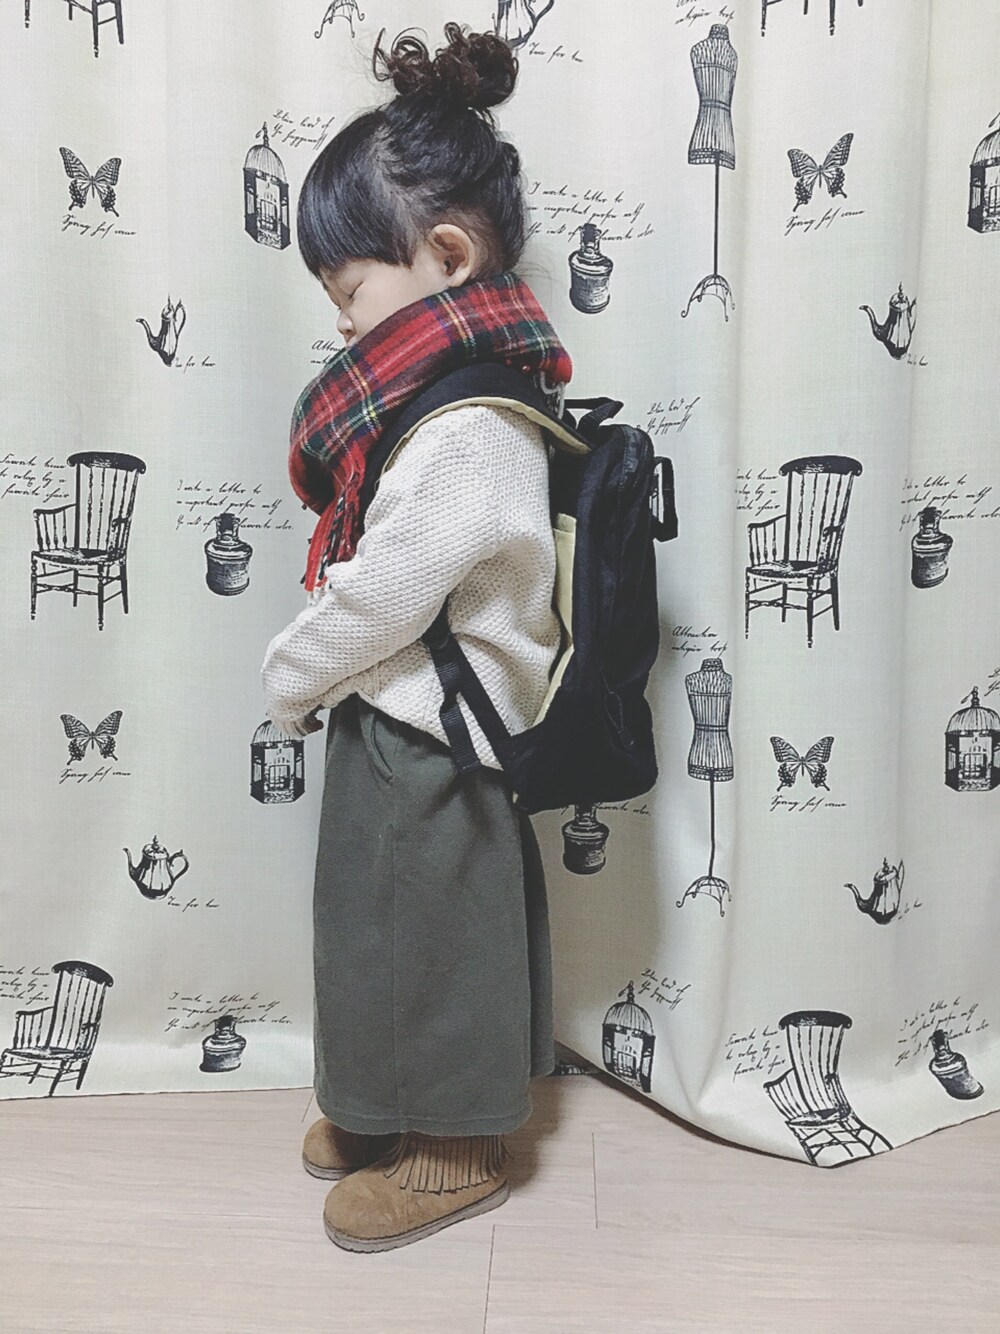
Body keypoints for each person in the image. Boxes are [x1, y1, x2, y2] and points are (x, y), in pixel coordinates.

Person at [259, 22, 574, 1254]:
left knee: (436, 933)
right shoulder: (438, 400)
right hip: (403, 713)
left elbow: (388, 590)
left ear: (445, 256)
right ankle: (379, 1102)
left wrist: (291, 670)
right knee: (376, 921)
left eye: (349, 292)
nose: (342, 324)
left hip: (439, 728)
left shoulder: (469, 424)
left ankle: (456, 1147)